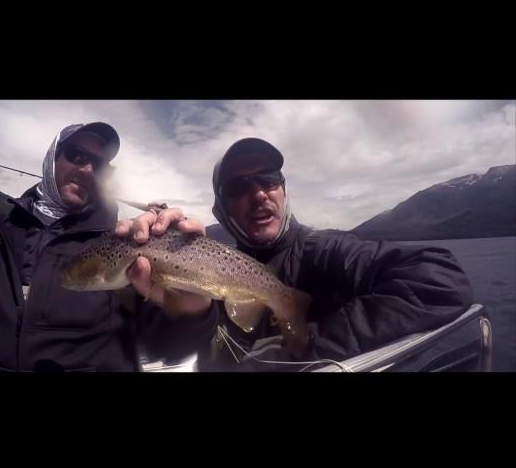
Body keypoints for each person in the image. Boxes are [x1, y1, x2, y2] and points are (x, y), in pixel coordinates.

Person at [129, 137, 475, 371]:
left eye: (268, 179)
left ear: (283, 189)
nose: (260, 194)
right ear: (222, 209)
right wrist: (192, 311)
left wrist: (312, 353)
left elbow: (441, 280)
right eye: (239, 187)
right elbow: (169, 351)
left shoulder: (327, 251)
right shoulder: (201, 263)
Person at [0, 123, 217, 372]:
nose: (87, 169)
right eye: (76, 155)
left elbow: (169, 346)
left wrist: (193, 311)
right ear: (53, 158)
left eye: (98, 165)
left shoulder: (126, 239)